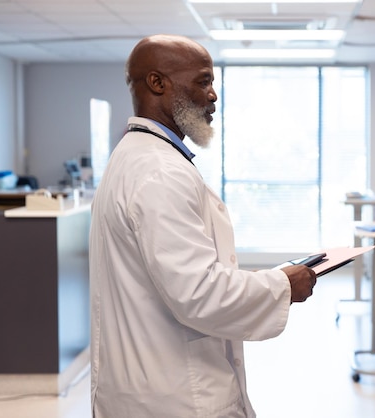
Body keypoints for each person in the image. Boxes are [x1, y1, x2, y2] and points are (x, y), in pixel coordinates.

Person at [89, 34, 317, 418]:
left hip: (142, 387)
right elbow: (198, 292)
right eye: (203, 81)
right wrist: (283, 284)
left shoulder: (136, 158)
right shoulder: (159, 171)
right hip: (175, 396)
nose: (213, 96)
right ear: (157, 83)